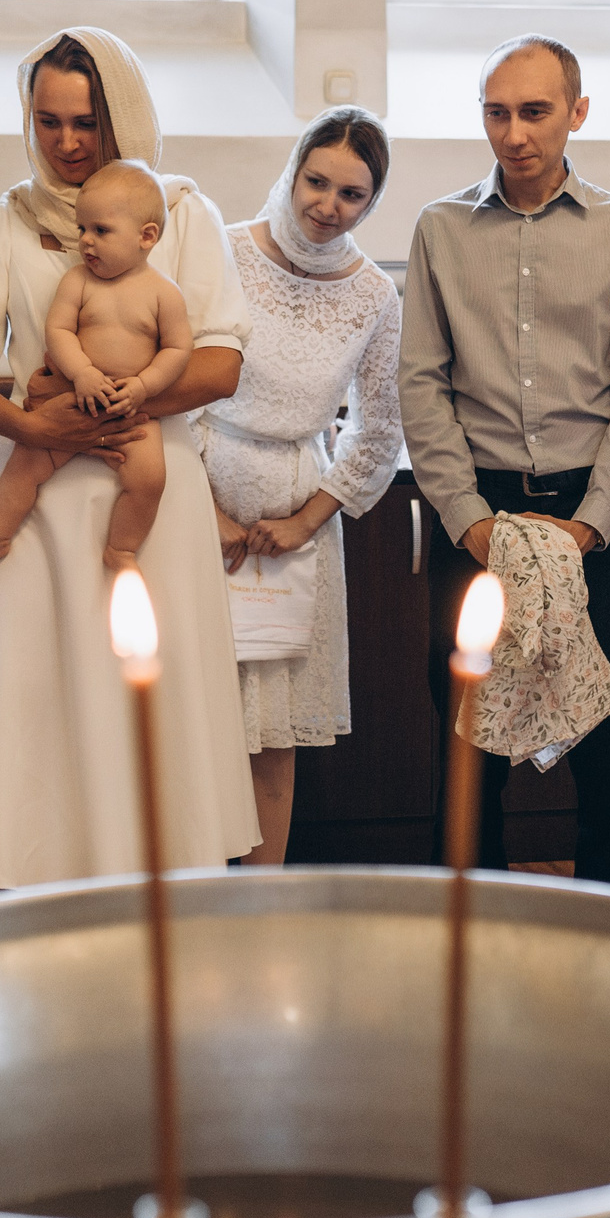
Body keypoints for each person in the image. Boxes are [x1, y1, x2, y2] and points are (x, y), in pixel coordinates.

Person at [0, 28, 262, 886]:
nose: (67, 143)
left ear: (123, 116)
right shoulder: (7, 220)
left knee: (146, 687)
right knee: (36, 692)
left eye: (86, 123)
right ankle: (31, 890)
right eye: (48, 122)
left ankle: (160, 890)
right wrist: (31, 429)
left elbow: (221, 360)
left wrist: (119, 399)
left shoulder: (180, 213)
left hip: (148, 486)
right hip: (36, 490)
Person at [400, 35, 610, 889]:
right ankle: (468, 936)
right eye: (496, 111)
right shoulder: (440, 229)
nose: (514, 132)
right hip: (478, 519)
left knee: (606, 751)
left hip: (595, 518)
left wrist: (590, 524)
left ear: (576, 113)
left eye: (535, 111)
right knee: (471, 748)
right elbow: (421, 384)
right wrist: (467, 519)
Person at [202, 109, 403, 864]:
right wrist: (208, 508)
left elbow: (380, 428)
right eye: (316, 181)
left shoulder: (376, 298)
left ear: (371, 203)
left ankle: (257, 906)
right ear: (292, 171)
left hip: (298, 524)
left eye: (352, 194)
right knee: (194, 724)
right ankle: (182, 898)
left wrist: (307, 520)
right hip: (196, 498)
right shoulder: (219, 256)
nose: (327, 204)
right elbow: (178, 390)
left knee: (273, 744)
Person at [0, 161, 193, 575]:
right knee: (23, 468)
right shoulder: (79, 281)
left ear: (146, 236)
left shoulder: (163, 293)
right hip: (70, 402)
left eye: (100, 231)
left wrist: (143, 386)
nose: (85, 241)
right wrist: (81, 372)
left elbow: (177, 348)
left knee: (149, 481)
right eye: (82, 229)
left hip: (130, 412)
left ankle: (122, 549)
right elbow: (58, 329)